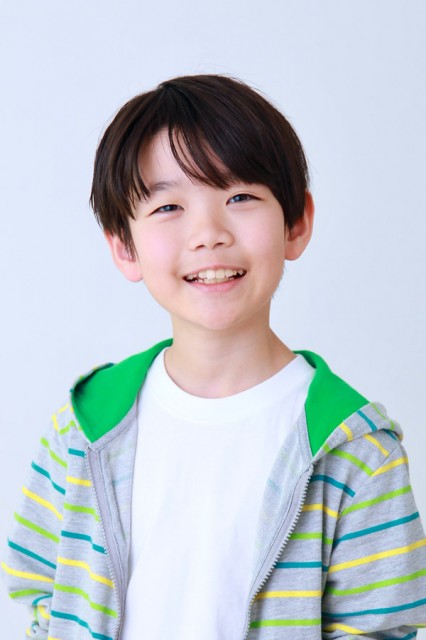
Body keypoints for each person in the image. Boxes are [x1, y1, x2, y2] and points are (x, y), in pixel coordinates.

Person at [3, 74, 426, 640]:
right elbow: (42, 593)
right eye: (168, 206)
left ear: (296, 222)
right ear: (124, 246)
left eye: (240, 198)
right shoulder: (83, 428)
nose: (208, 234)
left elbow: (380, 628)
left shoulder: (357, 452)